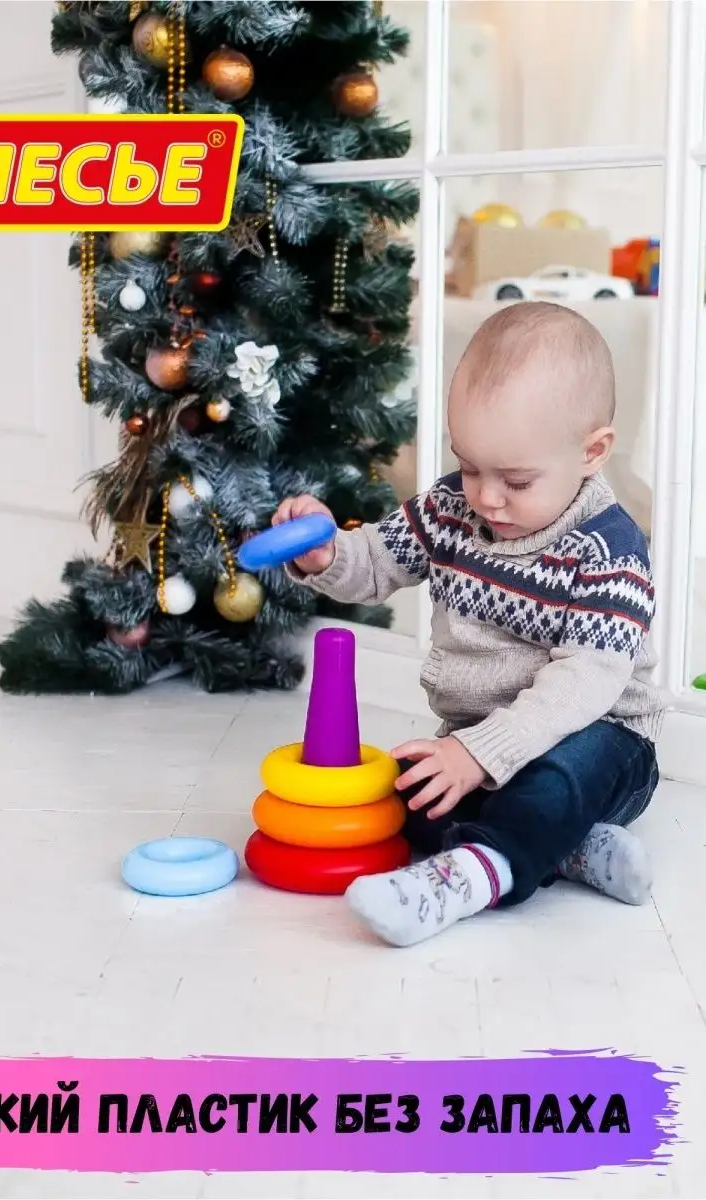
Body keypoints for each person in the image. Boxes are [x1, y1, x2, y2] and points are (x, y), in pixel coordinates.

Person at [275, 301, 665, 948]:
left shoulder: (609, 551)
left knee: (564, 772)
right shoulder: (453, 508)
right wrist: (327, 554)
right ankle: (564, 848)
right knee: (407, 794)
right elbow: (375, 564)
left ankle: (465, 878)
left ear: (592, 452)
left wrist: (479, 754)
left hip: (600, 742)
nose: (485, 496)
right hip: (480, 743)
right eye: (470, 465)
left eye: (517, 480)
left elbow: (583, 685)